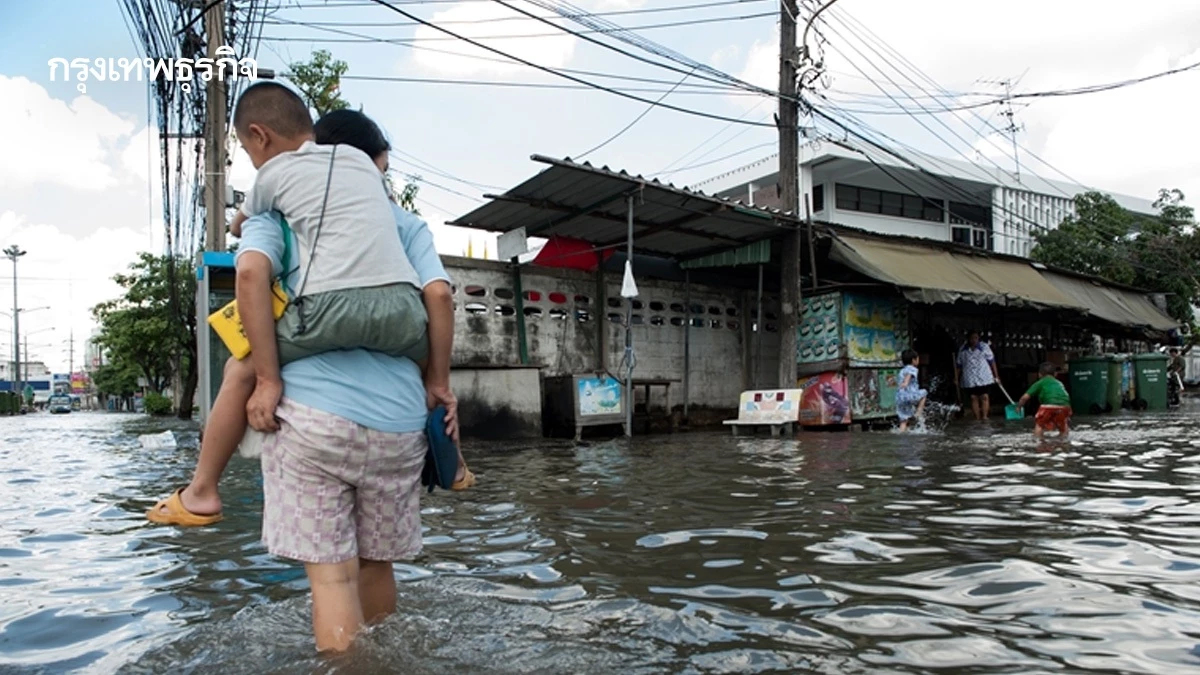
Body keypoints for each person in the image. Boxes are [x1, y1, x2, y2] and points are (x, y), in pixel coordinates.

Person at [148, 109, 473, 528]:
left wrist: (268, 379)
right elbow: (439, 295)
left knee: (241, 368)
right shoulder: (405, 222)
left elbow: (248, 265)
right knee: (435, 381)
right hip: (398, 375)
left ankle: (203, 489)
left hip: (317, 338)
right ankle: (455, 464)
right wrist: (439, 380)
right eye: (383, 168)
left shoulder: (279, 206)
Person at [230, 81, 430, 384]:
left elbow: (239, 231)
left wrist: (267, 377)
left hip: (328, 308)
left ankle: (265, 386)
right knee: (424, 353)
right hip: (402, 308)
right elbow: (389, 204)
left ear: (259, 136)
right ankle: (435, 394)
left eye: (247, 151)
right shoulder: (359, 161)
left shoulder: (272, 174)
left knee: (243, 365)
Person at [1018, 362, 1072, 439]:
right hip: (1065, 406)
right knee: (1063, 425)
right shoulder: (1060, 383)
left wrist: (1019, 407)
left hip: (1048, 405)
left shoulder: (1040, 382)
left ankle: (1038, 440)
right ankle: (1064, 440)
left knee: (1040, 425)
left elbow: (1024, 398)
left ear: (1039, 374)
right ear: (1055, 374)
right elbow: (1065, 396)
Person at [955, 330, 1000, 420]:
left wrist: (996, 375)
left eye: (976, 338)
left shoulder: (984, 347)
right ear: (968, 339)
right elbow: (959, 365)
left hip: (984, 376)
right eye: (971, 338)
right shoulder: (963, 349)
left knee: (984, 396)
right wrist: (956, 377)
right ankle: (977, 418)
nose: (974, 340)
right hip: (970, 377)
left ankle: (985, 417)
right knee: (973, 397)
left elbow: (992, 361)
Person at [895, 349, 927, 432]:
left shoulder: (902, 370)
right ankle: (918, 412)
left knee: (903, 420)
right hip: (909, 395)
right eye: (918, 359)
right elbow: (909, 374)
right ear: (913, 360)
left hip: (900, 398)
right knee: (924, 393)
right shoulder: (912, 368)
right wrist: (906, 382)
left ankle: (901, 433)